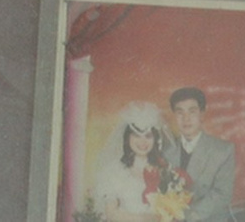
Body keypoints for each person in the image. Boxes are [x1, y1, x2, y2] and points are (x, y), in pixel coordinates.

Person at [87, 109, 172, 219]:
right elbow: (111, 213)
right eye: (136, 135)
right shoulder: (114, 171)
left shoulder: (164, 171)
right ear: (128, 138)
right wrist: (144, 219)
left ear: (155, 139)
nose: (143, 142)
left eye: (148, 136)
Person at [165, 88, 234, 222]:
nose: (186, 119)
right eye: (180, 112)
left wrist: (185, 217)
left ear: (202, 113)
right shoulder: (166, 150)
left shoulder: (223, 150)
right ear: (174, 115)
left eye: (192, 111)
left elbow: (222, 194)